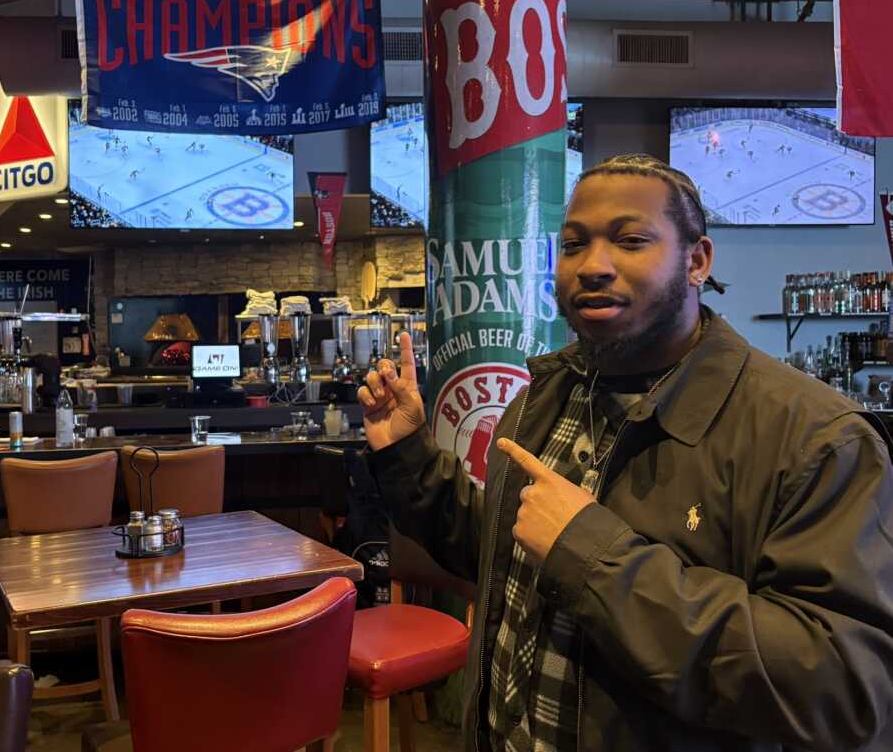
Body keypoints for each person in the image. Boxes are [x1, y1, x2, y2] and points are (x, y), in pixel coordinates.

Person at [358, 154, 893, 752]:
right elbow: (500, 554)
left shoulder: (816, 438)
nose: (594, 266)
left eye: (631, 241)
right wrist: (407, 453)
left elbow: (846, 688)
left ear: (697, 261)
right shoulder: (547, 396)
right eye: (573, 245)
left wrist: (593, 556)